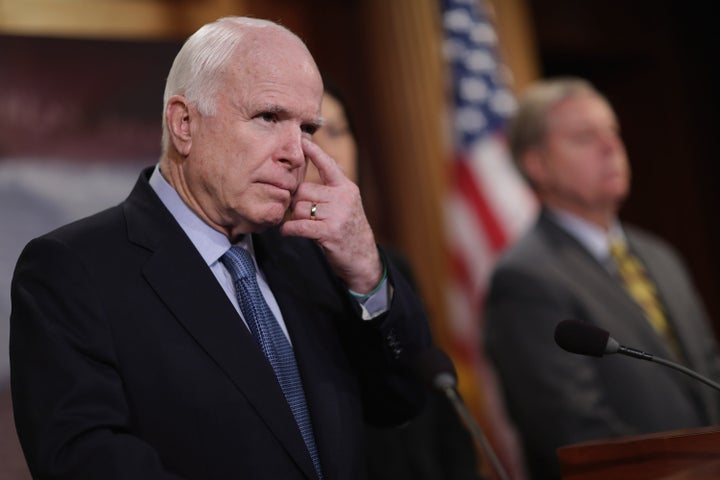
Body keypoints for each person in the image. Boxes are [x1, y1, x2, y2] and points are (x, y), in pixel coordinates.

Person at [9, 17, 432, 480]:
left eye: (307, 127)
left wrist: (367, 274)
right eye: (268, 117)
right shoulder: (72, 270)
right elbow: (87, 462)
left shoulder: (313, 256)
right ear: (184, 123)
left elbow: (405, 400)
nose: (296, 153)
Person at [483, 76, 720, 479]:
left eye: (612, 131)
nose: (611, 146)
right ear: (536, 163)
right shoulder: (524, 280)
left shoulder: (661, 256)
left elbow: (709, 372)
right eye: (584, 137)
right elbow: (575, 428)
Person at [307, 84, 483, 480]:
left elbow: (435, 391)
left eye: (339, 131)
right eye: (311, 133)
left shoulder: (392, 263)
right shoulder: (266, 268)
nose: (329, 151)